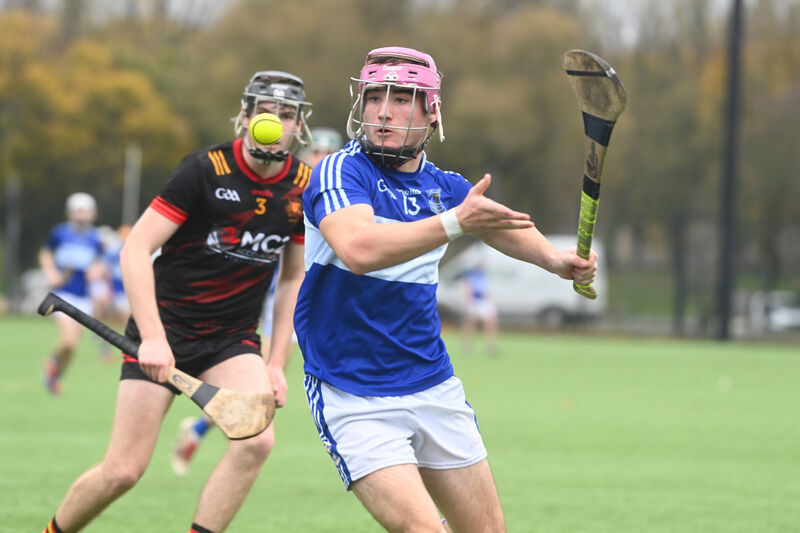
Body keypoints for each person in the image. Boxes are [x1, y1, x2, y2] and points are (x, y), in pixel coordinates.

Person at [293, 46, 598, 532]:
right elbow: (359, 248)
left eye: (401, 98)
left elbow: (500, 225)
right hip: (351, 391)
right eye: (374, 97)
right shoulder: (340, 172)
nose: (384, 111)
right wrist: (456, 222)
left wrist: (554, 260)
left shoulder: (443, 186)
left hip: (433, 387)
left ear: (431, 113)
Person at [42, 70, 312, 533]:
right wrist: (151, 338)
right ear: (244, 118)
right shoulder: (204, 170)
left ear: (298, 126)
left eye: (286, 114)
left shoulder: (303, 186)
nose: (275, 121)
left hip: (231, 340)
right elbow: (135, 250)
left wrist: (274, 362)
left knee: (256, 442)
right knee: (123, 471)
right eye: (265, 111)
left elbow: (292, 279)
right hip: (163, 329)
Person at [169, 125, 345, 477]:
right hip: (277, 298)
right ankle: (205, 429)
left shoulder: (339, 195)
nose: (320, 159)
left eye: (328, 154)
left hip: (315, 296)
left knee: (268, 384)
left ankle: (200, 429)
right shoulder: (290, 190)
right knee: (265, 381)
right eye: (315, 152)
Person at [40, 192, 105, 395]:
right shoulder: (60, 233)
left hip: (84, 297)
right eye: (78, 211)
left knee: (73, 346)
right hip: (62, 295)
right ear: (71, 213)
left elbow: (102, 261)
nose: (82, 215)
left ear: (92, 214)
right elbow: (45, 253)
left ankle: (54, 376)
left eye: (85, 211)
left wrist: (97, 271)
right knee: (68, 341)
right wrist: (51, 272)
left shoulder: (95, 238)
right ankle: (51, 363)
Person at [459, 260, 499, 356]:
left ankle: (490, 345)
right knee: (470, 323)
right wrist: (468, 302)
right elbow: (466, 289)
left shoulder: (485, 276)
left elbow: (487, 290)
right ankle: (467, 344)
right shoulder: (470, 276)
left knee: (490, 323)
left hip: (484, 301)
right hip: (474, 301)